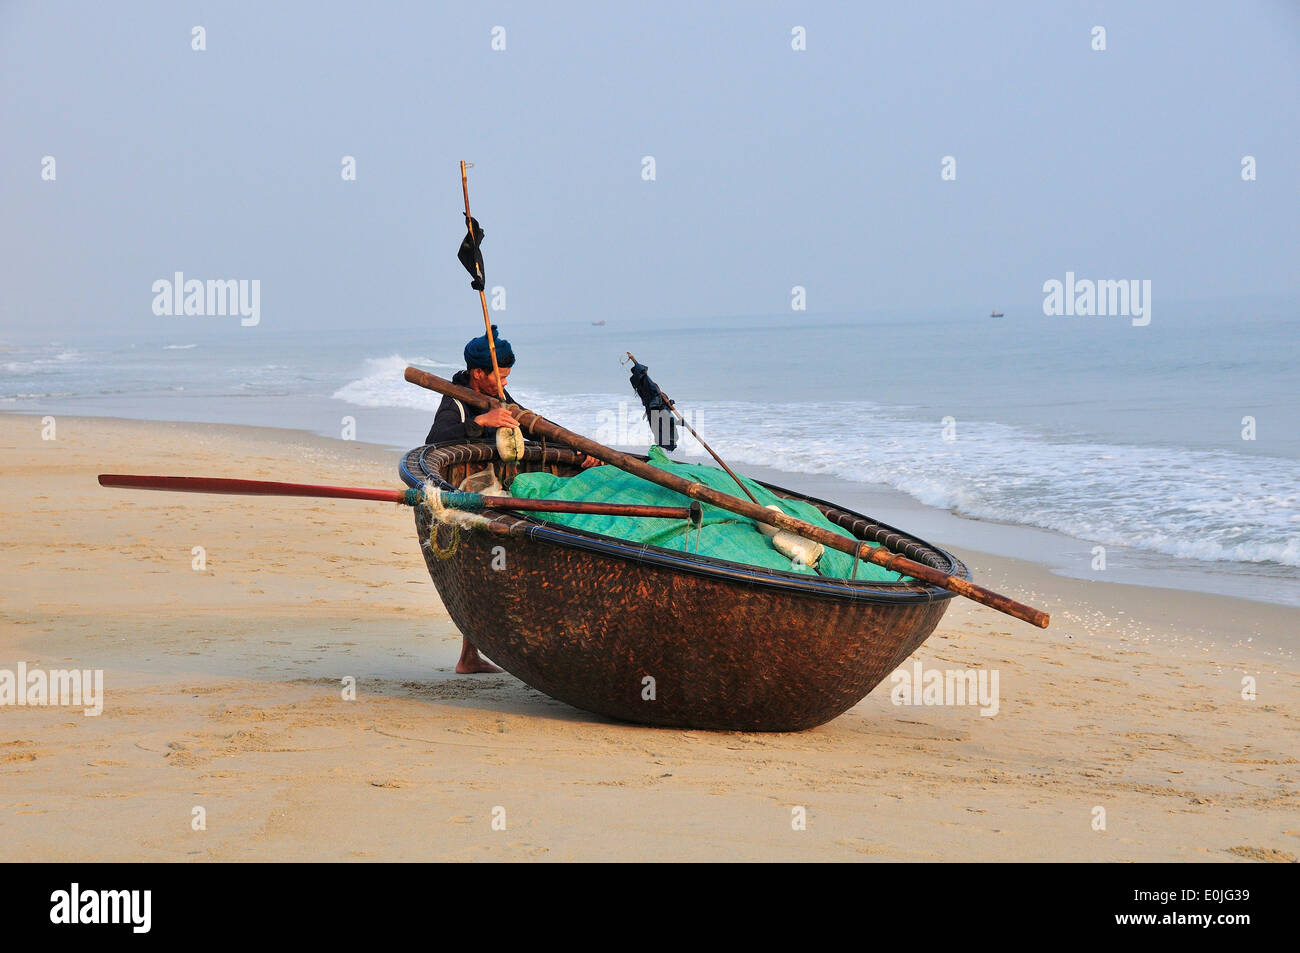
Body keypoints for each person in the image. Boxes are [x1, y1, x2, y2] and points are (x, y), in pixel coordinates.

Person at [426, 327, 601, 674]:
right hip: (468, 498)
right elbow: (435, 442)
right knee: (475, 573)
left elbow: (534, 427)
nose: (505, 381)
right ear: (478, 374)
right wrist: (480, 421)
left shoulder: (501, 394)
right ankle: (469, 657)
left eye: (507, 375)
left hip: (497, 490)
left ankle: (470, 657)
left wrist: (577, 451)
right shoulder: (456, 402)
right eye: (500, 375)